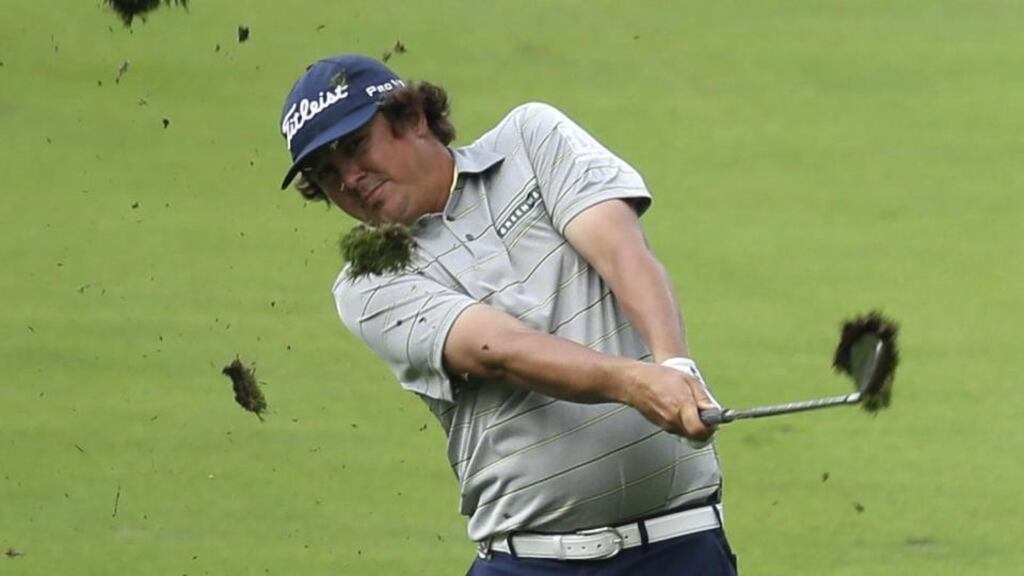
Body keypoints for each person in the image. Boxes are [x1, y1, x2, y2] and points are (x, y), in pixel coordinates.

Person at [278, 54, 738, 575]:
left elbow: (620, 248)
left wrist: (674, 365)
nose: (350, 180)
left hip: (681, 548)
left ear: (412, 118)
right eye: (327, 174)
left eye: (354, 147)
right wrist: (636, 383)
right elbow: (498, 351)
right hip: (530, 564)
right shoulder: (368, 281)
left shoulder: (529, 139)